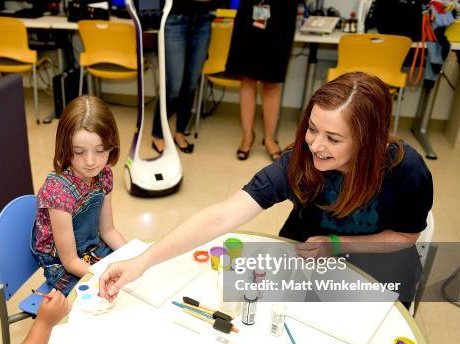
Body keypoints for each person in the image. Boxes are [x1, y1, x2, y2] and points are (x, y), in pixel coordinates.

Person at [99, 72, 433, 305]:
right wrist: (142, 262)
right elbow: (221, 216)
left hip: (375, 271)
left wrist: (337, 243)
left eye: (333, 139)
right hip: (304, 266)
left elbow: (406, 237)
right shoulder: (298, 163)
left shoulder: (407, 171)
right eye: (312, 129)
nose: (316, 145)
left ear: (368, 140)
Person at [32, 95, 127, 295]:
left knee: (130, 284)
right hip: (64, 267)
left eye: (100, 150)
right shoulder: (58, 192)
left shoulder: (104, 174)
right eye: (79, 152)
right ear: (65, 148)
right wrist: (104, 274)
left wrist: (135, 257)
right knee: (107, 297)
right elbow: (70, 261)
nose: (91, 161)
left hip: (93, 250)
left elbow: (108, 231)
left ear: (112, 145)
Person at [225, 0, 298, 160]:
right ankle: (247, 137)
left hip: (281, 17)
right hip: (251, 12)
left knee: (272, 82)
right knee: (247, 79)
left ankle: (270, 140)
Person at [150, 0, 219, 155]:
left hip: (203, 20)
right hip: (175, 20)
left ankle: (180, 132)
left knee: (191, 84)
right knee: (174, 87)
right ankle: (157, 134)